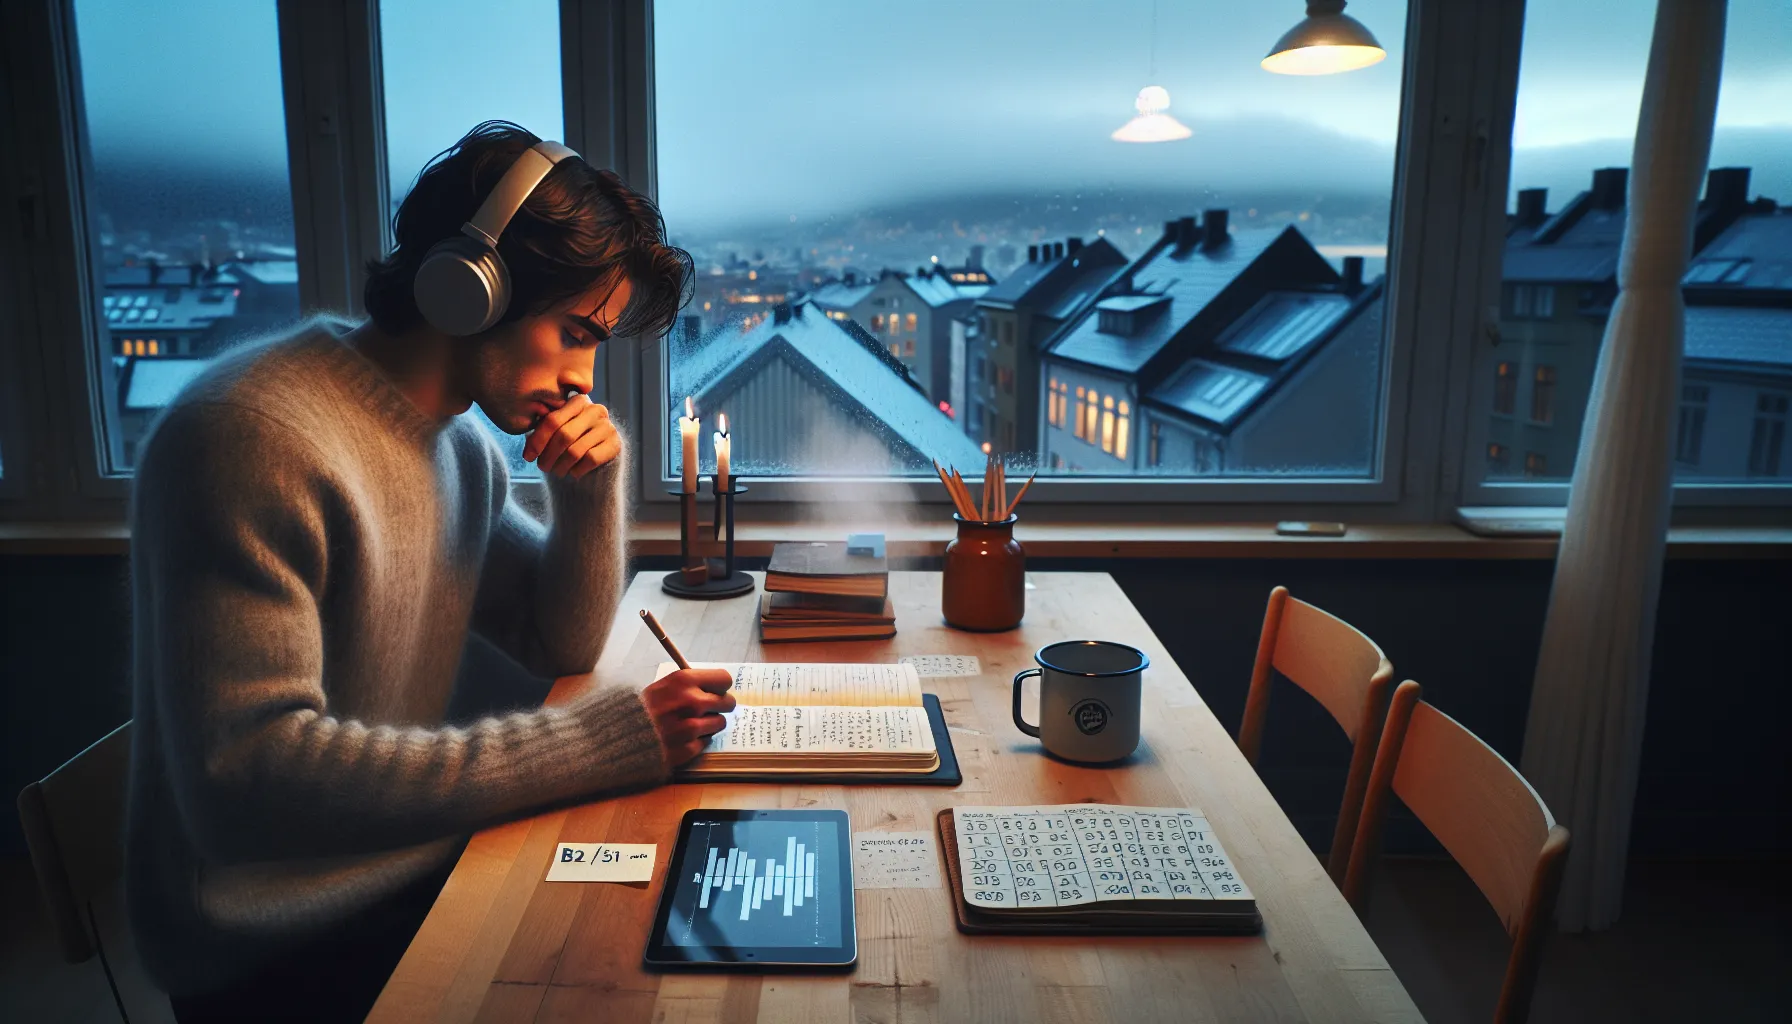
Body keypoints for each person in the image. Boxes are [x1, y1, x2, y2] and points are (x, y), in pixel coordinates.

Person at [126, 121, 733, 1023]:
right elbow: (243, 786)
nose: (582, 379)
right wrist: (599, 743)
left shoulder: (457, 448)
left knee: (673, 928)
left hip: (404, 869)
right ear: (471, 286)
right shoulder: (250, 436)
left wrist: (589, 488)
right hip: (276, 946)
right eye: (574, 330)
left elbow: (553, 638)